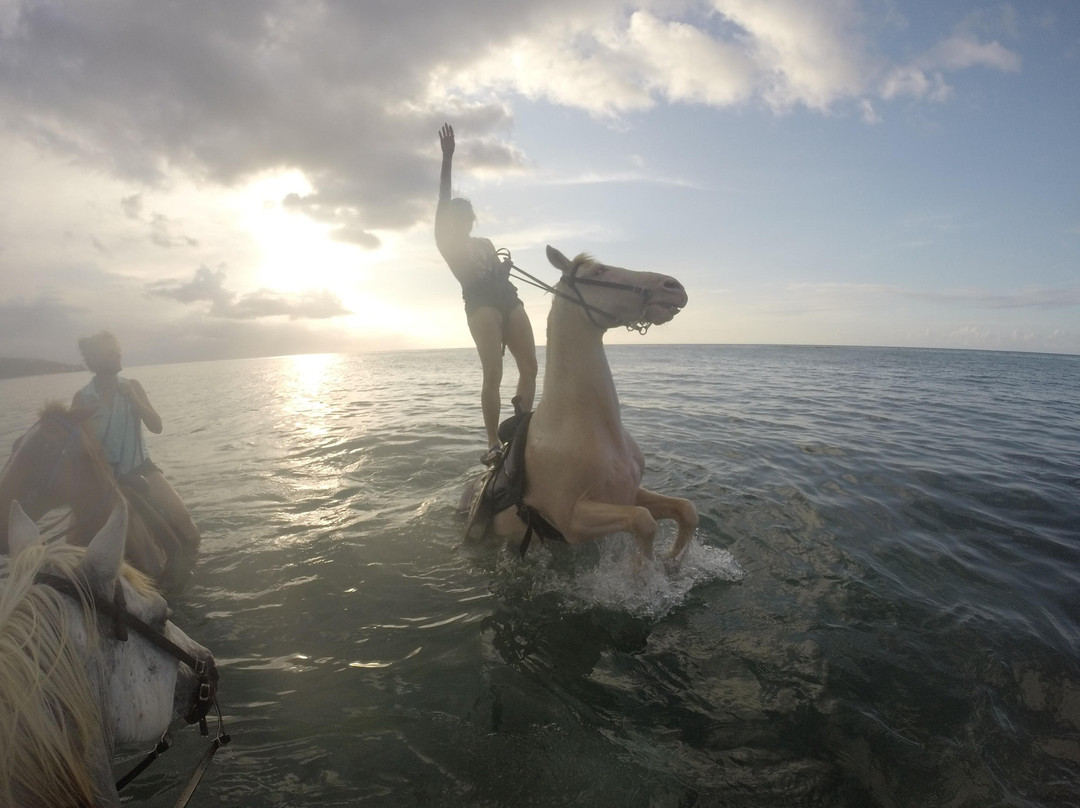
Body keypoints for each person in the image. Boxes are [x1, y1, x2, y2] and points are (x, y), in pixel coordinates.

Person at [436, 123, 537, 464]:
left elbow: (497, 272)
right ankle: (493, 443)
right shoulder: (447, 243)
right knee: (493, 373)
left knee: (530, 367)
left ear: (472, 218)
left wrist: (503, 271)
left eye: (467, 215)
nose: (462, 219)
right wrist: (448, 157)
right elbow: (442, 198)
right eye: (457, 215)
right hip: (480, 303)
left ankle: (520, 429)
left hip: (508, 296)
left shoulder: (485, 242)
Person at [71, 331, 201, 551]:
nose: (118, 355)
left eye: (118, 351)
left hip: (141, 468)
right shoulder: (82, 398)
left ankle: (196, 560)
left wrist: (133, 398)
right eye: (111, 352)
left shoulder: (132, 386)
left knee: (182, 517)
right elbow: (75, 449)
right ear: (95, 360)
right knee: (72, 542)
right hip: (102, 477)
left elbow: (156, 427)